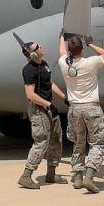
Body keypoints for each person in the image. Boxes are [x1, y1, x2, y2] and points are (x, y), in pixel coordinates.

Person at [58, 31, 104, 193]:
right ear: (82, 49)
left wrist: (61, 37)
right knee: (98, 141)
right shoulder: (90, 63)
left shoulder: (64, 63)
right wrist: (90, 43)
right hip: (91, 107)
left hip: (74, 108)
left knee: (78, 141)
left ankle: (78, 176)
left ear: (69, 50)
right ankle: (90, 174)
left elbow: (61, 53)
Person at [18, 40, 68, 189]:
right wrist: (47, 104)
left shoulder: (44, 64)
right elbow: (30, 94)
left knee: (56, 140)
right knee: (41, 142)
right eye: (38, 48)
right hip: (39, 110)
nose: (41, 47)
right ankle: (26, 175)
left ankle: (51, 173)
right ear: (33, 54)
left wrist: (64, 98)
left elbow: (50, 83)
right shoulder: (29, 70)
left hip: (49, 108)